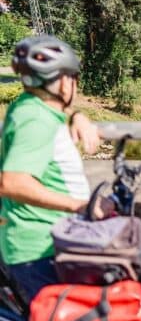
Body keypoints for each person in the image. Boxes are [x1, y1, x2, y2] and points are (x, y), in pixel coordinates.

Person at [0, 35, 110, 302]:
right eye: (74, 77)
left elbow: (55, 119)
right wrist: (79, 206)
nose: (76, 84)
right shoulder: (35, 119)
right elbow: (13, 182)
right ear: (62, 82)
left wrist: (77, 115)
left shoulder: (35, 109)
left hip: (49, 242)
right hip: (38, 251)